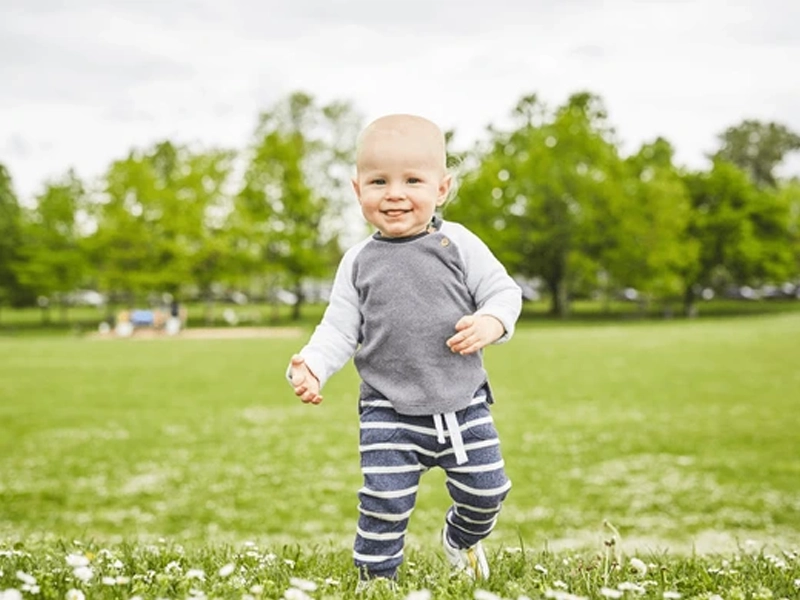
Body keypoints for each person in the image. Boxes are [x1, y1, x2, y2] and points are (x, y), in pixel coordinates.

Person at [287, 114, 522, 588]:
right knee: (384, 502)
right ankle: (376, 579)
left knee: (487, 491)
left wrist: (491, 322)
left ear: (441, 188)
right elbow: (339, 328)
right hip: (387, 408)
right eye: (379, 182)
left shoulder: (457, 243)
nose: (394, 193)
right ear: (358, 190)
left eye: (412, 180)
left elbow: (504, 292)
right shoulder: (358, 262)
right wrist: (312, 364)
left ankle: (460, 538)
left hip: (462, 402)